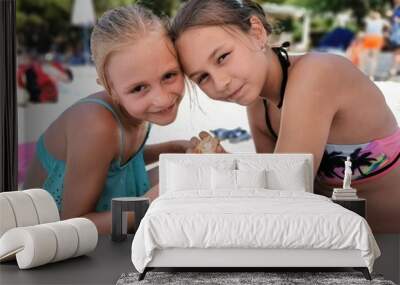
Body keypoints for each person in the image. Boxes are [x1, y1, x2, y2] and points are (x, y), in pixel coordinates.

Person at [170, 0, 400, 233]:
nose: (221, 82)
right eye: (203, 78)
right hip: (343, 245)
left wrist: (223, 169)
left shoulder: (317, 74)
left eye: (222, 57)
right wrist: (223, 161)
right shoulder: (260, 107)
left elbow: (284, 193)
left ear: (256, 32)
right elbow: (270, 193)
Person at [23, 5, 191, 234]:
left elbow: (119, 161)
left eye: (169, 75)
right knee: (180, 187)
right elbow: (72, 227)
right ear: (109, 87)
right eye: (139, 88)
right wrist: (148, 206)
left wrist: (175, 148)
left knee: (190, 175)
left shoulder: (134, 107)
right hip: (49, 238)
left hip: (107, 197)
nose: (162, 99)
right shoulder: (95, 127)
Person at [389, 0, 400, 77]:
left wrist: (397, 20)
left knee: (397, 52)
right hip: (395, 34)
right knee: (396, 52)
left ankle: (394, 69)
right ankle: (395, 69)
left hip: (398, 34)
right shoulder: (396, 8)